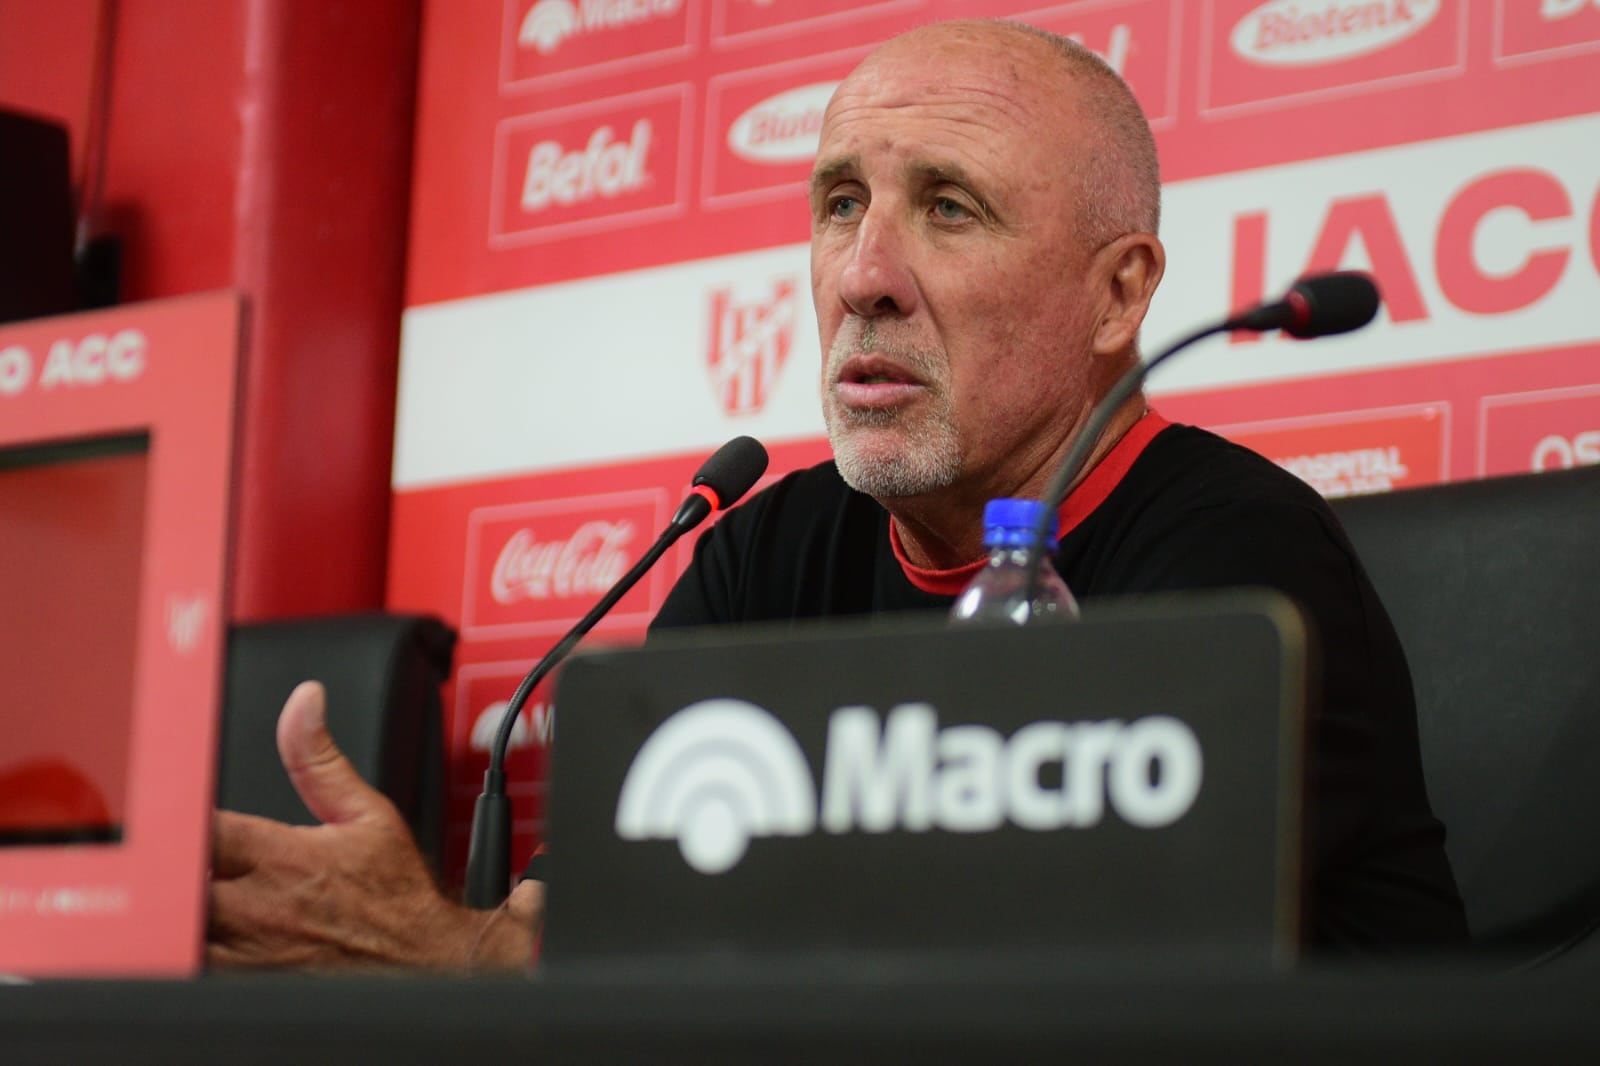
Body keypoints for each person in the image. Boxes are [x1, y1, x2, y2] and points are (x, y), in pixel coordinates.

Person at [205, 19, 1467, 970]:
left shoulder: (1239, 568)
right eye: (840, 203)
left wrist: (463, 962)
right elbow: (587, 916)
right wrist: (466, 947)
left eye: (949, 208)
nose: (863, 274)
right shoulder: (761, 551)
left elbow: (1029, 981)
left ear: (1119, 295)